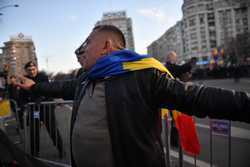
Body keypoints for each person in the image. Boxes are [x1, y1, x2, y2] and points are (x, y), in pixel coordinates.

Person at [17, 25, 250, 167]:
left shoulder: (143, 75)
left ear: (107, 45)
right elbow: (61, 88)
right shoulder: (87, 79)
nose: (82, 49)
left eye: (88, 42)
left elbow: (196, 97)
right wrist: (33, 87)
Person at [19, 61, 63, 158]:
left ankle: (61, 150)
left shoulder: (42, 77)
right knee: (34, 132)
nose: (31, 71)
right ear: (26, 70)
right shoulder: (24, 80)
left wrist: (41, 98)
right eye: (29, 70)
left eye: (33, 69)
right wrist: (22, 105)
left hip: (46, 108)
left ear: (36, 69)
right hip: (34, 109)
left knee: (53, 130)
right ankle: (34, 154)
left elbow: (47, 90)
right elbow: (22, 96)